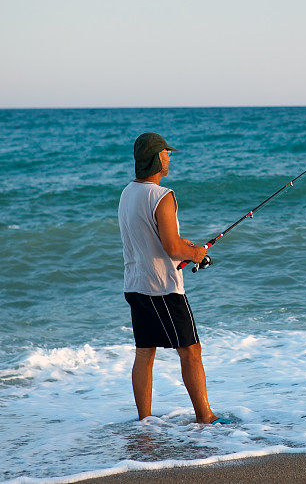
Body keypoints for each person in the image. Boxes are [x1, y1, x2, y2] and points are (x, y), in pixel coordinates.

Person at [118, 132, 228, 424]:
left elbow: (152, 238)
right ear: (157, 158)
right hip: (162, 289)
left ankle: (145, 422)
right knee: (191, 350)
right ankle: (205, 417)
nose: (169, 157)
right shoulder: (162, 196)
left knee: (145, 352)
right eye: (166, 153)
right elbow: (171, 247)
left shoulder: (128, 193)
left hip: (135, 284)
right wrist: (195, 252)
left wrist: (187, 246)